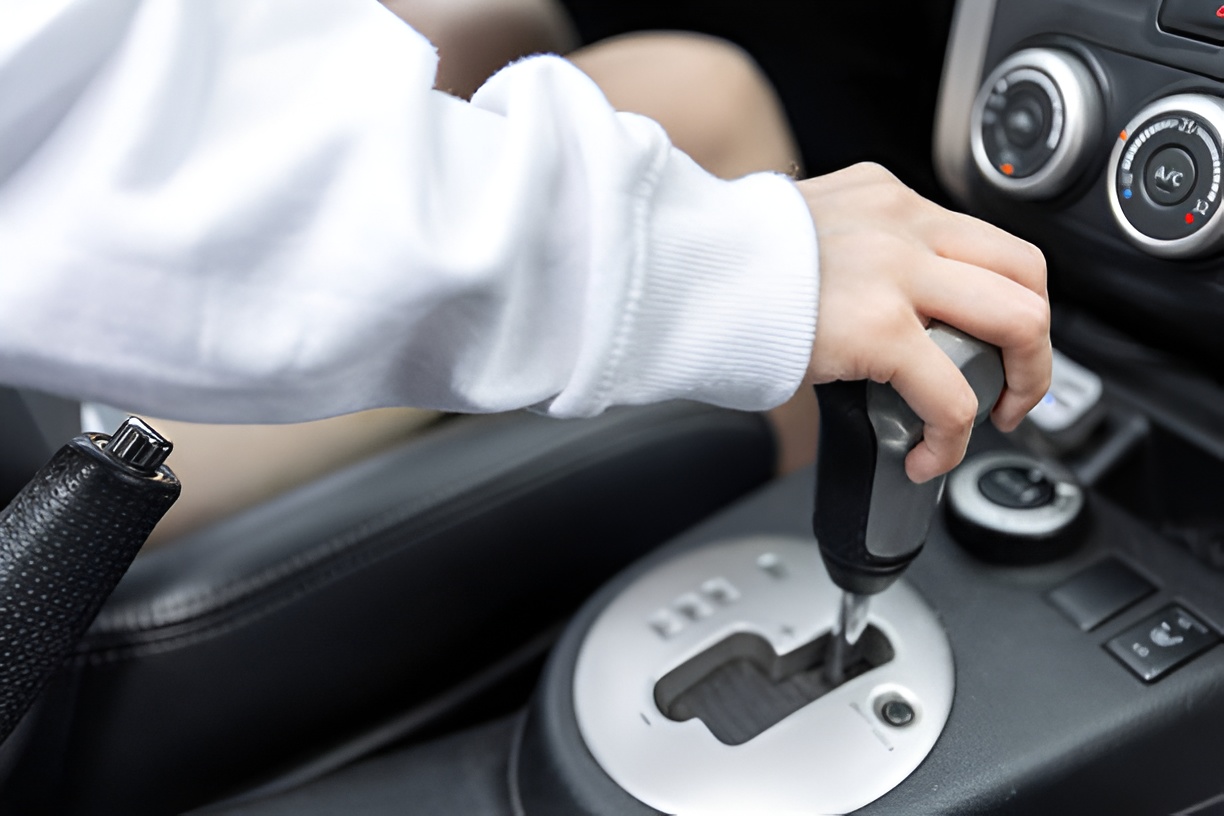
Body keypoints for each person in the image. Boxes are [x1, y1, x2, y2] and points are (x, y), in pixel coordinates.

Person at [0, 0, 1050, 530]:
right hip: (53, 466)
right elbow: (90, 134)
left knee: (490, 20)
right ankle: (793, 558)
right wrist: (743, 261)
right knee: (709, 98)